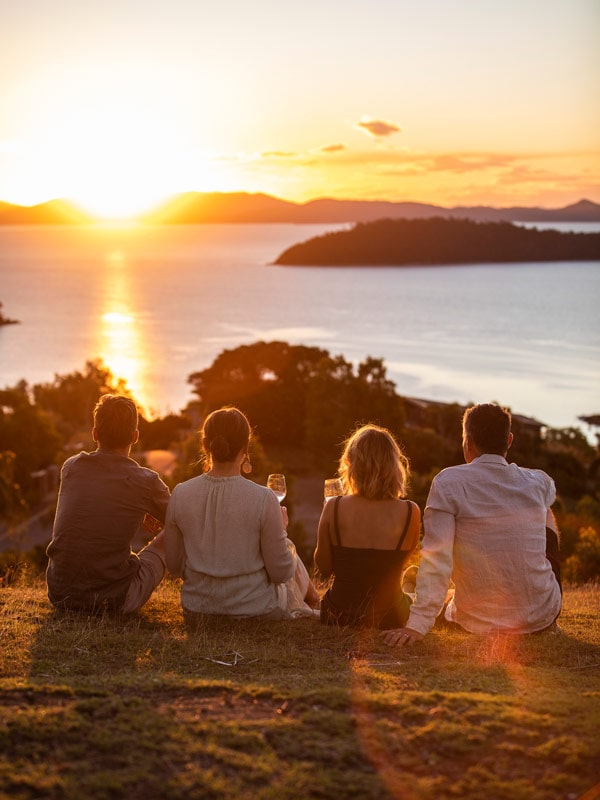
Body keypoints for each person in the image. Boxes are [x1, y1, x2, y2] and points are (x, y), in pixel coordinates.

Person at [382, 403, 562, 647]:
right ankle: (531, 594)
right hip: (542, 615)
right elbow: (549, 491)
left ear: (467, 442)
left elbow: (439, 558)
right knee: (545, 511)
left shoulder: (448, 482)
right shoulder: (538, 481)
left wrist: (417, 625)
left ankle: (417, 586)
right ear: (508, 441)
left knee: (418, 578)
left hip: (480, 621)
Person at [163, 406, 319, 621]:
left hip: (197, 608)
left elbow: (173, 565)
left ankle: (314, 604)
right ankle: (315, 604)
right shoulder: (264, 499)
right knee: (287, 545)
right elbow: (281, 573)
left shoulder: (180, 494)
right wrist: (280, 530)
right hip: (256, 609)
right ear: (246, 448)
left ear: (205, 445)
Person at [46, 394, 170, 613]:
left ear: (95, 434)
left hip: (59, 593)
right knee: (172, 532)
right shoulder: (145, 481)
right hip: (114, 600)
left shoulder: (71, 467)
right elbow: (180, 519)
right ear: (135, 436)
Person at [314, 424, 421, 628]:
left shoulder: (334, 507)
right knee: (409, 581)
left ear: (351, 464)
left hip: (337, 613)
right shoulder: (410, 511)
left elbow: (324, 567)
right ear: (395, 465)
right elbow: (400, 564)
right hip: (390, 617)